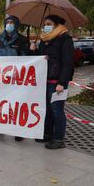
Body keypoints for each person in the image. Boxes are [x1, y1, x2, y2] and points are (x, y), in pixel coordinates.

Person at [30, 14, 74, 149]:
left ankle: (59, 138)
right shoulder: (44, 39)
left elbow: (68, 63)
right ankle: (48, 134)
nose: (46, 27)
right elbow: (41, 59)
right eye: (45, 24)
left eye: (49, 24)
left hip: (57, 81)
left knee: (56, 109)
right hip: (46, 79)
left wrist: (62, 82)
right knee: (47, 109)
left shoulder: (65, 39)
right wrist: (34, 50)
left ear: (57, 25)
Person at [0, 15, 29, 142]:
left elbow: (28, 60)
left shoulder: (23, 40)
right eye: (8, 22)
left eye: (12, 22)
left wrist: (33, 51)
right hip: (0, 80)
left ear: (16, 25)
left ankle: (18, 130)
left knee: (16, 104)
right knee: (0, 104)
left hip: (16, 80)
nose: (9, 24)